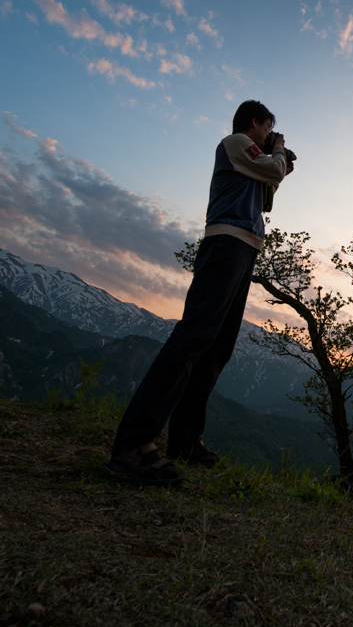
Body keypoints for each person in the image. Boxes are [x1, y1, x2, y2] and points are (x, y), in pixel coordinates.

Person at [105, 99, 293, 485]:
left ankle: (184, 441)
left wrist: (278, 159)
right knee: (192, 340)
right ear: (255, 122)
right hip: (226, 245)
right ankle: (133, 444)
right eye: (268, 127)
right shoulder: (235, 141)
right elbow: (272, 168)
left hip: (243, 250)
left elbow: (270, 189)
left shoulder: (250, 154)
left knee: (216, 348)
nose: (270, 133)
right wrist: (277, 151)